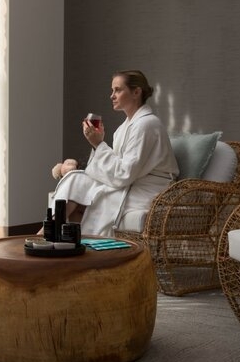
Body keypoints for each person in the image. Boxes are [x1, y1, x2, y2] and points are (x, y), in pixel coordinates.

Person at [49, 70, 179, 237]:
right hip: (128, 182)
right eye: (112, 90)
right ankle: (52, 234)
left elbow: (124, 173)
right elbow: (117, 168)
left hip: (147, 188)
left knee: (86, 197)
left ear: (136, 92)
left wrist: (99, 144)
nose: (112, 95)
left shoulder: (147, 124)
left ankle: (51, 237)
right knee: (75, 179)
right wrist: (97, 145)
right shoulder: (122, 129)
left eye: (118, 90)